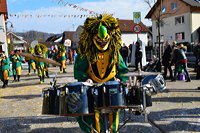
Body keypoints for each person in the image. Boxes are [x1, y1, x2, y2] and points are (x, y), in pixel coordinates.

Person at [74, 14, 129, 133]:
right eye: (99, 40)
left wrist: (120, 79)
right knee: (91, 115)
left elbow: (124, 71)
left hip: (111, 87)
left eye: (105, 40)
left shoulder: (114, 53)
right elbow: (78, 70)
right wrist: (86, 78)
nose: (102, 43)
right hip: (92, 88)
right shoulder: (86, 53)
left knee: (113, 113)